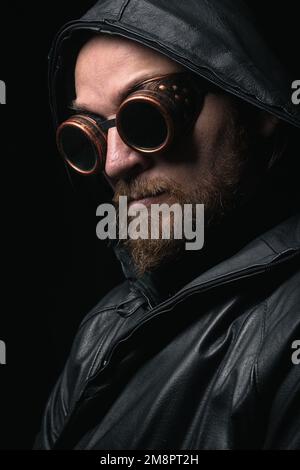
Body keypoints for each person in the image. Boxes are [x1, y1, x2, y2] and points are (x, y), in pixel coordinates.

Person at [34, 0, 300, 449]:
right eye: (90, 132)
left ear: (254, 102)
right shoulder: (103, 329)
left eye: (148, 114)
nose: (116, 164)